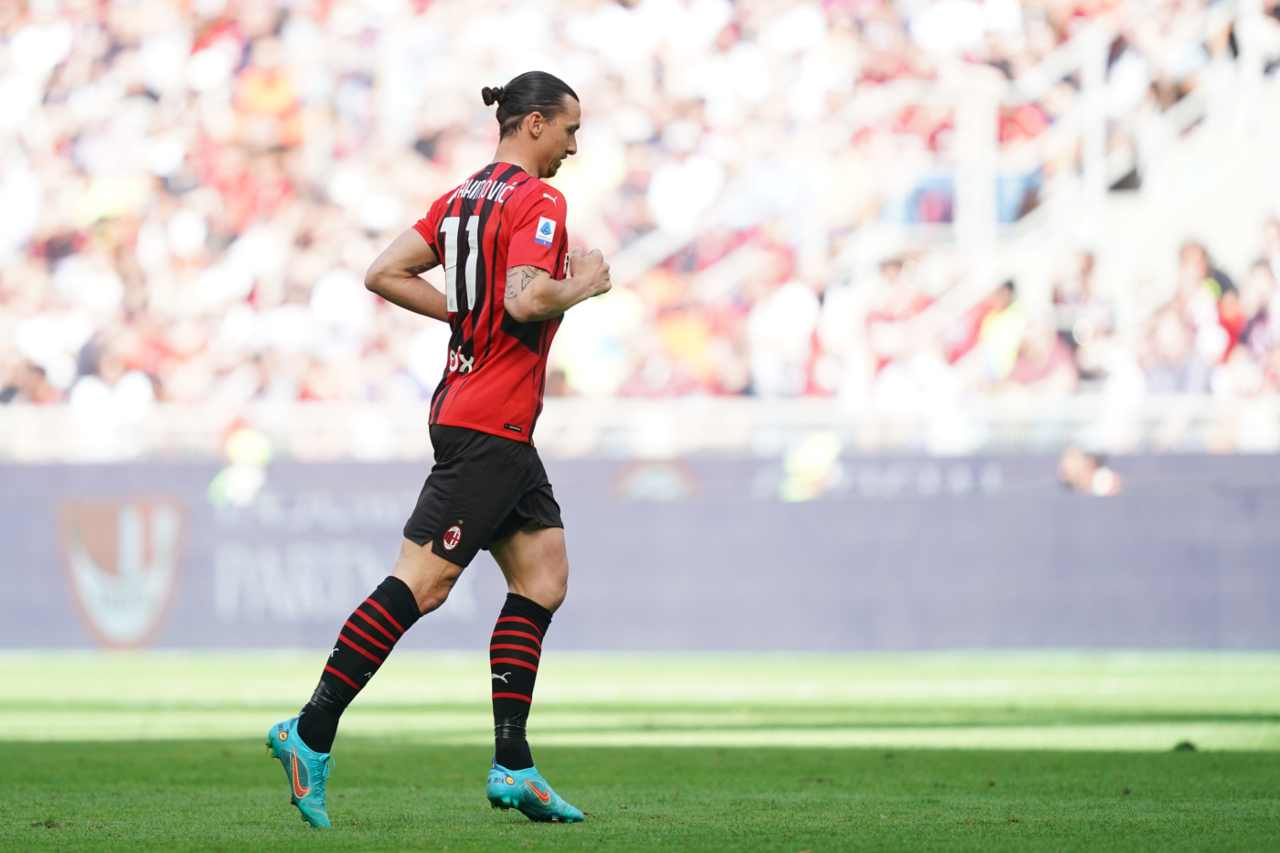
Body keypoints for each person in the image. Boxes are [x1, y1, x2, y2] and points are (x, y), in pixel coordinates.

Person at [267, 70, 611, 828]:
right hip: (490, 424)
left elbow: (383, 272)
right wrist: (583, 283)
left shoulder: (459, 199)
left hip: (480, 414)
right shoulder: (538, 200)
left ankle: (513, 763)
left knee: (543, 574)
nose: (573, 147)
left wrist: (464, 312)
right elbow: (526, 296)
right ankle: (309, 732)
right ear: (533, 124)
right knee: (421, 585)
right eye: (569, 130)